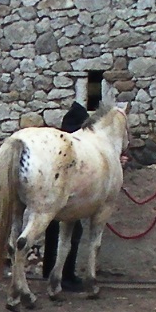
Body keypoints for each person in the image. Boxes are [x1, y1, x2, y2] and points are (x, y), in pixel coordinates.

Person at [42, 101, 90, 292]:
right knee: (71, 233)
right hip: (64, 198)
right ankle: (65, 276)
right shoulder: (72, 148)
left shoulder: (56, 145)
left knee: (51, 232)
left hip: (50, 197)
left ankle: (50, 270)